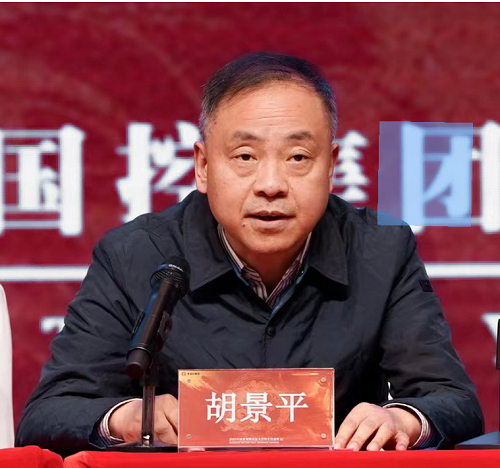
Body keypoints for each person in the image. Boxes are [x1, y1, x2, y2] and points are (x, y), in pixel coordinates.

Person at [16, 52, 483, 455]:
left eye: (298, 157)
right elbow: (48, 413)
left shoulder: (381, 251)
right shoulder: (135, 255)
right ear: (203, 165)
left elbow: (453, 399)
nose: (271, 185)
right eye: (245, 157)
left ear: (331, 167)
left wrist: (404, 419)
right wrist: (125, 418)